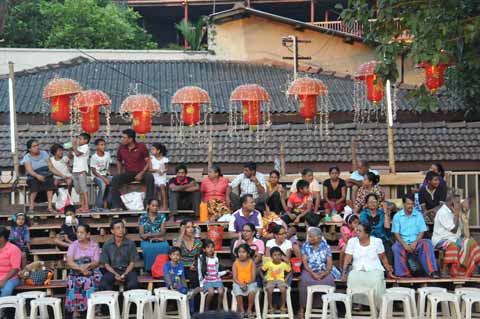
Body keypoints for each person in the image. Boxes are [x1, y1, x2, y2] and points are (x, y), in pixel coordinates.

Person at [342, 223, 395, 309]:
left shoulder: (377, 241)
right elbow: (347, 259)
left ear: (366, 234)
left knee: (376, 280)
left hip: (374, 269)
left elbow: (383, 258)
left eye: (359, 231)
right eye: (356, 230)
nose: (356, 232)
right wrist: (344, 273)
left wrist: (389, 270)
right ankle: (358, 303)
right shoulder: (352, 241)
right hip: (358, 269)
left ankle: (376, 306)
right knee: (352, 277)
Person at [432, 193, 480, 277]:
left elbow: (467, 202)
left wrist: (463, 209)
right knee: (453, 245)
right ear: (451, 203)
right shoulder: (443, 212)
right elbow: (454, 230)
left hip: (454, 238)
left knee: (471, 242)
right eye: (457, 202)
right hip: (441, 239)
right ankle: (445, 270)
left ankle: (475, 268)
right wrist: (456, 214)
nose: (459, 204)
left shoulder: (454, 209)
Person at [392, 193, 439, 278]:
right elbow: (396, 233)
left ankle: (432, 271)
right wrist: (404, 245)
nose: (410, 206)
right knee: (396, 247)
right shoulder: (397, 216)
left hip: (416, 242)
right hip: (403, 243)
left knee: (427, 243)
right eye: (408, 204)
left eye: (412, 204)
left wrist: (415, 242)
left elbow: (422, 231)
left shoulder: (418, 215)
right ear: (404, 204)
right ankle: (403, 274)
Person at [298, 227, 339, 318]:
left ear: (319, 237)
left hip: (324, 270)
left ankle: (329, 308)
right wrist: (312, 273)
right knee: (304, 282)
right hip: (309, 270)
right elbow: (305, 263)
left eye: (312, 237)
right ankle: (302, 309)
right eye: (309, 236)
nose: (309, 238)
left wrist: (326, 272)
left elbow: (329, 262)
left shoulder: (326, 246)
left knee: (329, 282)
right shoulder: (305, 245)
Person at [110, 129, 155, 211]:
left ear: (130, 139)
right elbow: (119, 161)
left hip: (141, 172)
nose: (122, 139)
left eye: (124, 138)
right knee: (115, 179)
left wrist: (141, 173)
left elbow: (148, 162)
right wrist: (119, 174)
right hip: (129, 173)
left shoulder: (141, 146)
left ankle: (148, 204)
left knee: (150, 177)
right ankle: (117, 205)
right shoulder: (121, 148)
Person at [65, 224, 102, 318]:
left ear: (88, 234)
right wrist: (81, 269)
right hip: (76, 270)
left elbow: (96, 262)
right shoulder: (73, 245)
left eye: (82, 232)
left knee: (94, 279)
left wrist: (87, 266)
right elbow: (69, 262)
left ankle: (93, 307)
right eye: (78, 232)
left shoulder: (94, 245)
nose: (79, 235)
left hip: (91, 270)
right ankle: (76, 309)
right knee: (74, 281)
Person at [22, 139, 63, 213]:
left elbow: (51, 167)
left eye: (37, 145)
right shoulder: (27, 157)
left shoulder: (44, 153)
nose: (37, 147)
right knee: (34, 183)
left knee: (50, 181)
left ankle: (50, 207)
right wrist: (37, 176)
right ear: (29, 149)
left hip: (45, 174)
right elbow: (30, 171)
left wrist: (62, 175)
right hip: (33, 175)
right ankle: (31, 207)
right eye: (34, 146)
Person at [99, 219, 139, 291]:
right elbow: (106, 264)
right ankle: (113, 300)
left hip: (128, 270)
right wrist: (115, 274)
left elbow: (132, 263)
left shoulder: (130, 243)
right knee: (103, 284)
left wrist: (125, 274)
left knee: (133, 284)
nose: (121, 230)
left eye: (122, 227)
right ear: (112, 231)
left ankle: (128, 301)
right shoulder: (107, 244)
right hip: (112, 271)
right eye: (118, 228)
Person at [359, 193, 393, 265]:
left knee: (388, 253)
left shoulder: (381, 213)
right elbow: (364, 228)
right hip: (369, 240)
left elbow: (387, 226)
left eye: (374, 201)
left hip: (382, 240)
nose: (372, 203)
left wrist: (385, 212)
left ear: (378, 202)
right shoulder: (363, 214)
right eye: (370, 202)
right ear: (367, 204)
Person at [139, 199, 169, 273]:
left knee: (165, 246)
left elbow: (162, 232)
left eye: (157, 206)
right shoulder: (142, 217)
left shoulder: (162, 217)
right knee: (147, 248)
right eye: (153, 205)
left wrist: (150, 235)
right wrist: (152, 236)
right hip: (146, 241)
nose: (155, 207)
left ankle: (162, 270)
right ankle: (150, 269)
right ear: (148, 206)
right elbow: (142, 234)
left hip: (159, 240)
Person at [197, 239, 228, 311]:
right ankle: (206, 307)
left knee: (221, 292)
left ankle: (219, 308)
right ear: (204, 249)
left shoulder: (216, 259)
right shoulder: (201, 258)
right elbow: (199, 272)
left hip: (216, 280)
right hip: (207, 281)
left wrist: (225, 272)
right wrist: (201, 284)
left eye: (212, 247)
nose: (211, 249)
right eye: (208, 247)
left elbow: (216, 272)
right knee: (211, 292)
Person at [261, 247, 291, 314]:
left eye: (279, 255)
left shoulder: (283, 264)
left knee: (283, 290)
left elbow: (290, 271)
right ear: (271, 257)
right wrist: (263, 278)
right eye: (275, 255)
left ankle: (282, 306)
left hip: (280, 280)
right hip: (270, 280)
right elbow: (261, 270)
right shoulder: (268, 263)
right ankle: (270, 307)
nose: (277, 257)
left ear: (281, 256)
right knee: (269, 290)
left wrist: (286, 279)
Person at [174, 218, 203, 289]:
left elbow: (200, 256)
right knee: (178, 277)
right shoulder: (177, 240)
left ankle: (194, 298)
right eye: (188, 227)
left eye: (192, 227)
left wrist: (195, 264)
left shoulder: (197, 241)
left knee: (195, 276)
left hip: (193, 267)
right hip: (180, 266)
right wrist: (182, 233)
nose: (191, 229)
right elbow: (175, 250)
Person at [232, 244, 257, 319]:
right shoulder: (235, 263)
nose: (241, 254)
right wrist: (241, 284)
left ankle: (249, 309)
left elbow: (253, 277)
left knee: (252, 291)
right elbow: (235, 278)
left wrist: (246, 284)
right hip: (238, 283)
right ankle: (242, 310)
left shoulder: (251, 262)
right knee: (237, 290)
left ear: (248, 253)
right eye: (239, 252)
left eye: (243, 252)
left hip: (249, 282)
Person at [90, 138, 112, 211]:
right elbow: (94, 171)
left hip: (105, 175)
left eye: (104, 145)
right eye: (101, 145)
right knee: (103, 185)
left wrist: (108, 175)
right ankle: (98, 206)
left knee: (114, 180)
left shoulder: (107, 154)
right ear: (97, 146)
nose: (103, 146)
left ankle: (109, 204)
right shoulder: (94, 157)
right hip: (97, 176)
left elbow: (108, 167)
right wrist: (104, 178)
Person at [71, 133, 90, 213]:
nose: (78, 140)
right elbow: (71, 155)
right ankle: (82, 206)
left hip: (81, 170)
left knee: (84, 189)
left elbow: (78, 154)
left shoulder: (85, 147)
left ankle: (87, 206)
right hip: (75, 170)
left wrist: (74, 146)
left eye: (80, 139)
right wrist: (72, 147)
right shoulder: (78, 147)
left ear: (86, 140)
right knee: (79, 190)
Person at [149, 143, 169, 211]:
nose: (151, 150)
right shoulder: (151, 158)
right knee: (154, 189)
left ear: (158, 151)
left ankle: (164, 205)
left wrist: (163, 171)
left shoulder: (164, 159)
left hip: (162, 176)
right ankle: (155, 205)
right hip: (154, 176)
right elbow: (150, 169)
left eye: (153, 149)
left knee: (162, 187)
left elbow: (166, 169)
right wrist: (157, 170)